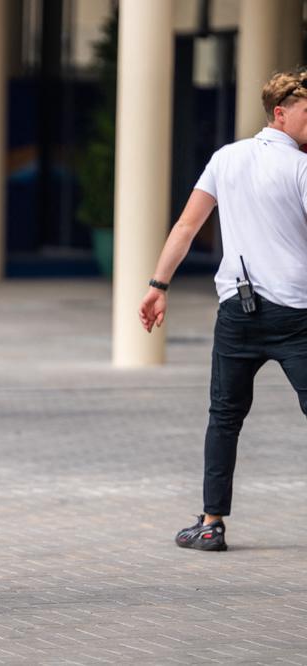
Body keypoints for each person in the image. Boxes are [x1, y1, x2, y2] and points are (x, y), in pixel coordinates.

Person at [139, 69, 307, 553]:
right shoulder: (300, 169)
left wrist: (158, 285)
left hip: (239, 310)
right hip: (298, 315)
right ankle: (210, 520)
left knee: (225, 418)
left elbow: (187, 226)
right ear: (280, 112)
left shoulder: (224, 159)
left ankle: (211, 524)